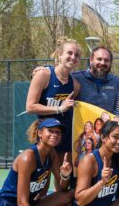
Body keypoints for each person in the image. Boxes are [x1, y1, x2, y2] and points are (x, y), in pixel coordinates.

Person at [26, 37, 81, 167]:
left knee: (62, 179)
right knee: (40, 178)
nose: (73, 57)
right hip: (45, 136)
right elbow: (30, 107)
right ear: (60, 55)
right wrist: (59, 109)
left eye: (77, 55)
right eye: (70, 53)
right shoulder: (43, 74)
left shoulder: (76, 85)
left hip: (65, 136)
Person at [73, 46, 119, 113]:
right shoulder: (77, 78)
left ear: (111, 63)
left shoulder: (117, 82)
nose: (102, 63)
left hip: (107, 123)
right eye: (99, 59)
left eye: (106, 60)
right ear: (91, 60)